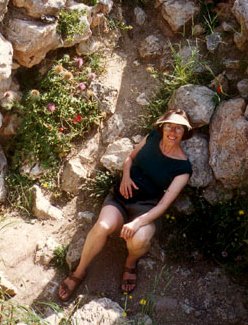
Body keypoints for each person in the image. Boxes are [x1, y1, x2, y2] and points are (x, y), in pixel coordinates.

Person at [58, 109, 194, 300]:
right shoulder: (153, 137)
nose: (173, 132)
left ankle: (130, 262)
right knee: (101, 226)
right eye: (170, 126)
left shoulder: (183, 168)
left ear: (184, 132)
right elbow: (130, 158)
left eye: (179, 128)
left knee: (137, 239)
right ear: (162, 127)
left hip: (147, 208)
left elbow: (163, 205)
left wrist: (137, 223)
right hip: (121, 198)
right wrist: (125, 177)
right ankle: (79, 272)